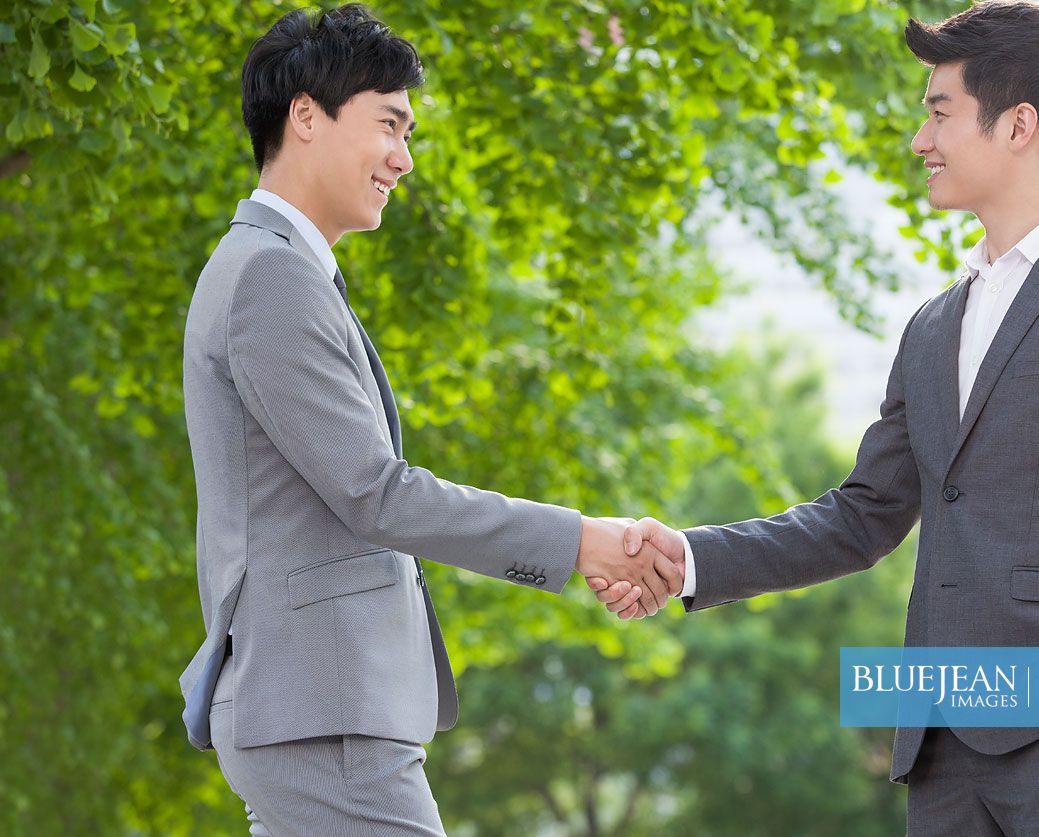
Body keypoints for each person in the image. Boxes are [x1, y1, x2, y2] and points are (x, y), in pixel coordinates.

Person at [591, 1, 1039, 833]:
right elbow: (862, 516)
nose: (917, 139)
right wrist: (687, 558)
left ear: (1017, 125)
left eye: (938, 112)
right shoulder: (933, 325)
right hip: (941, 744)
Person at [178, 5, 681, 834]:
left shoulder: (276, 269)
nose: (403, 159)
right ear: (305, 115)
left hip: (318, 711)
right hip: (321, 718)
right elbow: (376, 493)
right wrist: (580, 540)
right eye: (389, 124)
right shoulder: (271, 277)